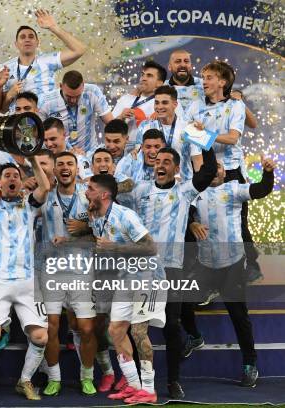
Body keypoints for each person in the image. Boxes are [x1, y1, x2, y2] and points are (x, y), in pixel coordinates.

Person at [118, 146, 217, 399]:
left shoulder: (184, 191)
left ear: (175, 168)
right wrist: (121, 185)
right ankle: (141, 383)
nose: (159, 165)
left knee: (172, 325)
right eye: (156, 161)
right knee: (138, 328)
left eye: (166, 162)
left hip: (172, 268)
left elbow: (207, 172)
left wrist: (203, 141)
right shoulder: (140, 189)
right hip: (142, 268)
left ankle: (173, 381)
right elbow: (111, 192)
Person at [0, 130, 50, 402]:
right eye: (7, 176)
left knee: (41, 338)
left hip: (27, 282)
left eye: (16, 176)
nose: (12, 178)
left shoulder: (29, 206)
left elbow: (45, 188)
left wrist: (31, 160)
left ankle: (25, 381)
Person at [188, 156, 275, 388]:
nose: (215, 171)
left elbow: (262, 189)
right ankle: (195, 337)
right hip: (205, 264)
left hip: (233, 264)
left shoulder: (235, 189)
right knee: (182, 300)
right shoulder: (194, 194)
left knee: (239, 315)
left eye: (218, 167)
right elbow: (181, 215)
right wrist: (191, 223)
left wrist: (267, 174)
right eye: (211, 168)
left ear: (225, 173)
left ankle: (250, 364)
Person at [85, 174, 164, 404]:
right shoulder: (97, 217)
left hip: (147, 278)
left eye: (90, 189)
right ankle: (133, 385)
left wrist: (115, 248)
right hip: (124, 280)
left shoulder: (125, 215)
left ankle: (149, 391)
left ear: (104, 194)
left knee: (139, 333)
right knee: (115, 331)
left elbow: (150, 247)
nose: (86, 192)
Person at [185, 60, 260, 279]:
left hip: (232, 170)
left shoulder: (235, 105)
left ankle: (250, 265)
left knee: (238, 222)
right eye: (203, 77)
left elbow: (233, 138)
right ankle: (208, 271)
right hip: (205, 170)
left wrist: (205, 134)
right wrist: (200, 170)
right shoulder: (195, 106)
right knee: (203, 220)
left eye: (209, 77)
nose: (204, 81)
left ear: (223, 82)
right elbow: (191, 139)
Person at [39, 151, 97, 396]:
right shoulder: (44, 198)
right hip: (51, 271)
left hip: (81, 271)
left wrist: (84, 229)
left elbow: (103, 236)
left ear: (77, 170)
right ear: (54, 170)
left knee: (86, 328)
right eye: (60, 164)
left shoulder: (88, 198)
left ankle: (87, 377)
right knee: (52, 327)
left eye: (69, 164)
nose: (65, 168)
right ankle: (54, 379)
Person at [0, 9, 87, 110]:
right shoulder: (5, 68)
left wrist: (53, 27)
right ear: (16, 44)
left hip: (45, 122)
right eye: (22, 37)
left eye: (31, 36)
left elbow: (79, 50)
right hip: (17, 122)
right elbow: (2, 110)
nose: (27, 39)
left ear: (37, 42)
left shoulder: (48, 60)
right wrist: (9, 96)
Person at [136, 85, 202, 181]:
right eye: (157, 103)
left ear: (175, 104)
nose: (159, 107)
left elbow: (198, 162)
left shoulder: (190, 128)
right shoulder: (145, 126)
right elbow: (138, 159)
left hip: (182, 186)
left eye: (165, 103)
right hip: (153, 187)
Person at [38, 70, 113, 151]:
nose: (73, 100)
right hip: (60, 156)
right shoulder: (45, 102)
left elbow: (111, 123)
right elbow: (39, 135)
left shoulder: (92, 92)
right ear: (60, 86)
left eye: (77, 96)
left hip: (89, 154)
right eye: (69, 96)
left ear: (83, 86)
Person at [112, 61, 166, 153]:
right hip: (128, 154)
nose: (143, 78)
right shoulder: (126, 100)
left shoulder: (167, 103)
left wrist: (164, 116)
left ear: (159, 83)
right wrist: (120, 117)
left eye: (149, 76)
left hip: (157, 153)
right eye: (142, 75)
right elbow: (109, 129)